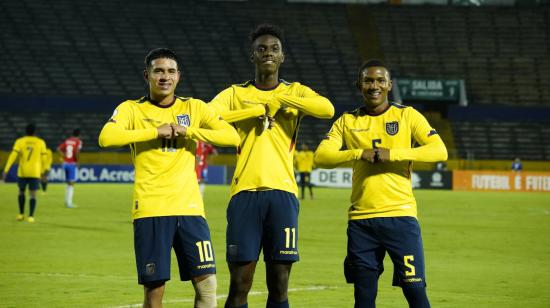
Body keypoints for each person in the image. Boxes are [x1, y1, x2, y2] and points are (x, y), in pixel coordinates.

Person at [98, 48, 240, 308]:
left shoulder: (194, 108)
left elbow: (232, 137)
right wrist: (155, 131)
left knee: (208, 286)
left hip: (190, 210)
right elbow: (106, 138)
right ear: (147, 75)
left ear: (179, 76)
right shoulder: (131, 109)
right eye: (159, 71)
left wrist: (189, 131)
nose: (165, 76)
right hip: (151, 209)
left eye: (171, 71)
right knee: (155, 293)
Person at [209, 24, 334, 308]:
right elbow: (207, 115)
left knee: (279, 284)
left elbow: (327, 109)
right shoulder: (235, 93)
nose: (268, 53)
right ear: (252, 56)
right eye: (261, 48)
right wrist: (255, 110)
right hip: (245, 194)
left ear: (282, 58)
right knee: (239, 284)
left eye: (274, 49)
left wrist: (278, 98)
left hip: (283, 195)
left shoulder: (296, 92)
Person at [314, 59, 447, 308]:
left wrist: (393, 153)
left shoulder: (407, 115)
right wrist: (357, 153)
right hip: (361, 223)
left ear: (389, 85)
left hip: (401, 218)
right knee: (363, 298)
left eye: (379, 80)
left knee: (415, 291)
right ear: (359, 85)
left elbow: (439, 151)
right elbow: (321, 157)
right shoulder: (347, 121)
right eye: (368, 80)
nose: (374, 85)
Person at [2, 124, 48, 223]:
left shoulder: (20, 141)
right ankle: (31, 216)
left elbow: (12, 156)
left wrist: (6, 170)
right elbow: (44, 159)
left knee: (21, 192)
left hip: (22, 172)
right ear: (35, 132)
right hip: (35, 172)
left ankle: (21, 214)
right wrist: (44, 172)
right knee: (33, 195)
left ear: (26, 131)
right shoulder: (41, 142)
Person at [58, 129, 82, 208]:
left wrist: (64, 156)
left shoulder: (67, 140)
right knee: (72, 183)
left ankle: (66, 201)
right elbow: (77, 151)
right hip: (71, 164)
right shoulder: (78, 141)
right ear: (79, 135)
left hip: (65, 163)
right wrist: (78, 161)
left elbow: (58, 149)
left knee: (68, 183)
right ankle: (69, 203)